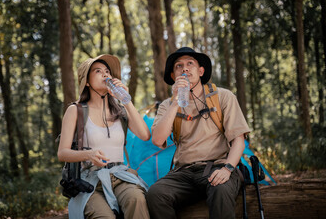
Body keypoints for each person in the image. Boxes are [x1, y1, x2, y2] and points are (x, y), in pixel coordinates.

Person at [146, 47, 250, 219]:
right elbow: (158, 140)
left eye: (190, 64)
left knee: (221, 189)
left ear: (201, 71)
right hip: (183, 173)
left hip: (217, 166)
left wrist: (228, 168)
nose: (184, 69)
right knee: (155, 194)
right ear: (173, 77)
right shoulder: (167, 105)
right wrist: (175, 103)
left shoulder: (222, 96)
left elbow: (239, 140)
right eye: (178, 66)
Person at [58, 54, 151, 219]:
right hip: (89, 179)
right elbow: (62, 153)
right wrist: (88, 154)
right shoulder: (76, 110)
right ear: (86, 81)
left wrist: (126, 100)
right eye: (98, 71)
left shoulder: (120, 111)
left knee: (136, 199)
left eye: (107, 71)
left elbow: (145, 135)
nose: (105, 75)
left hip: (121, 175)